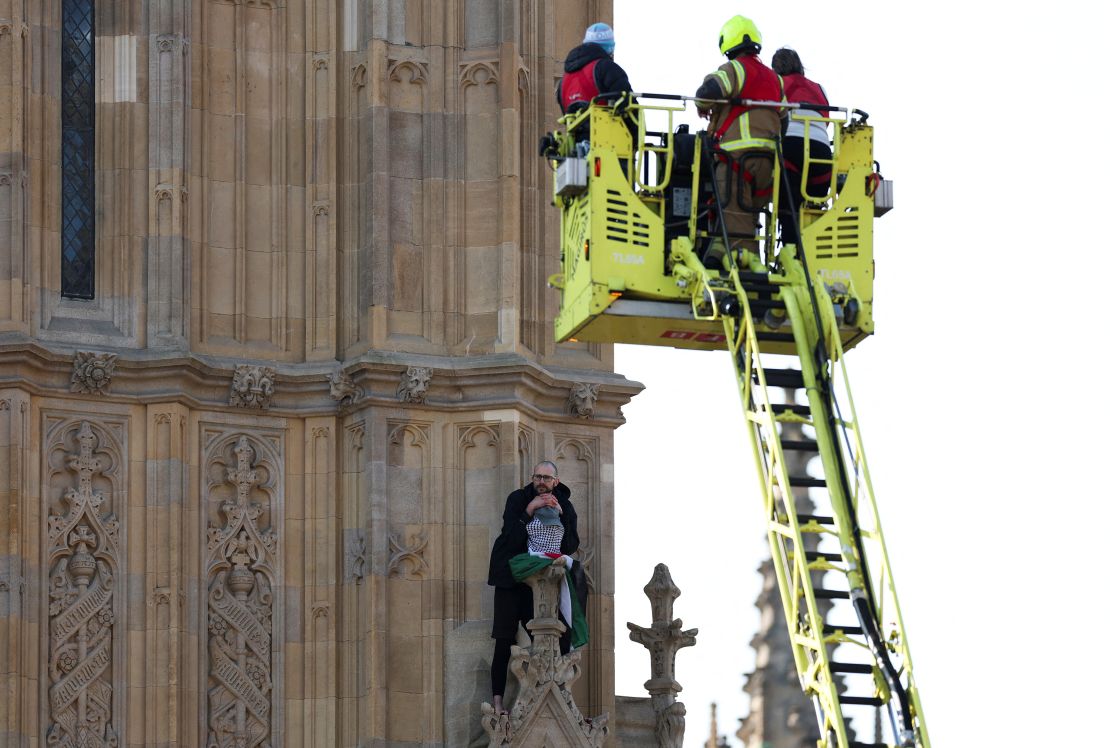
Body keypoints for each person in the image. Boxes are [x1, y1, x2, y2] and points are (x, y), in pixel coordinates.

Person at [487, 461, 580, 714]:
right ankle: (497, 703)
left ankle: (557, 695)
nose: (541, 482)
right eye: (537, 477)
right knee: (503, 640)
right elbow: (510, 537)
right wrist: (529, 509)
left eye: (546, 478)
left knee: (557, 635)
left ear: (555, 482)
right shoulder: (518, 499)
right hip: (510, 580)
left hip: (540, 583)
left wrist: (560, 514)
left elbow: (569, 545)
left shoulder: (565, 505)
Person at [694, 14, 785, 270]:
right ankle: (715, 254)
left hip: (735, 158)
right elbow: (783, 119)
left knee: (735, 217)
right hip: (768, 165)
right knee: (742, 216)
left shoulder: (734, 69)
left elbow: (705, 94)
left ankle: (746, 269)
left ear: (728, 44)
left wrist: (704, 106)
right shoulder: (775, 79)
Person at [772, 48, 832, 246]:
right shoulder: (819, 88)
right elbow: (826, 120)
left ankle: (790, 249)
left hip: (791, 145)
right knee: (813, 207)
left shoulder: (777, 84)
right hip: (822, 152)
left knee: (788, 204)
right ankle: (811, 249)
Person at [556, 22, 633, 115]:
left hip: (575, 129)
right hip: (607, 127)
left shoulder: (563, 82)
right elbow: (628, 104)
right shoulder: (607, 68)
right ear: (610, 47)